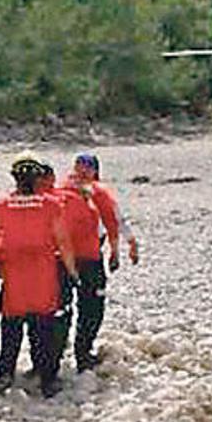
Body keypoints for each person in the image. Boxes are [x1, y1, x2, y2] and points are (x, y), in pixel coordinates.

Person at [0, 152, 78, 398]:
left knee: (11, 326)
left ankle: (5, 373)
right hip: (43, 272)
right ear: (38, 178)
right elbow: (63, 241)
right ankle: (46, 377)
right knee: (43, 327)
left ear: (14, 178)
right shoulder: (50, 204)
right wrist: (71, 271)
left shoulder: (2, 205)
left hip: (14, 272)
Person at [61, 153, 122, 372]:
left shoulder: (61, 189)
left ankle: (63, 352)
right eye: (81, 166)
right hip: (86, 257)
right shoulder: (96, 191)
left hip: (64, 257)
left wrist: (115, 250)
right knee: (90, 307)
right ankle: (82, 352)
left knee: (64, 306)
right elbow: (113, 221)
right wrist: (115, 251)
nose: (83, 170)